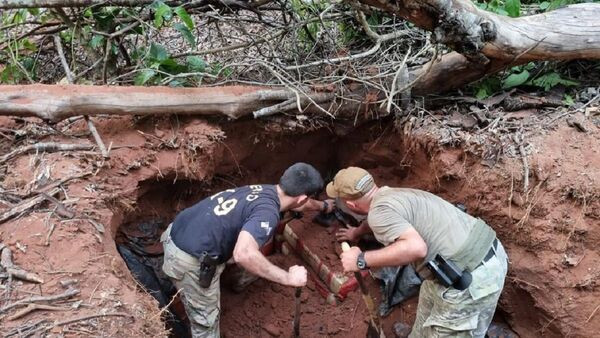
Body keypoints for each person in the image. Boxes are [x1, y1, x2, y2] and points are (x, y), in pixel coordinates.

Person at [327, 167, 508, 337]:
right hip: (484, 254)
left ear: (351, 204)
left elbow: (416, 248)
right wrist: (357, 232)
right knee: (428, 295)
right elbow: (381, 219)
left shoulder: (379, 213)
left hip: (471, 278)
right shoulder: (392, 194)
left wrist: (361, 259)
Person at [161, 162, 326, 337]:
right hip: (187, 259)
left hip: (178, 231)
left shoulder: (266, 190)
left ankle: (223, 282)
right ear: (301, 198)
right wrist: (288, 278)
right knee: (206, 324)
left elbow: (300, 204)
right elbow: (243, 254)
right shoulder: (268, 213)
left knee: (246, 250)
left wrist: (324, 206)